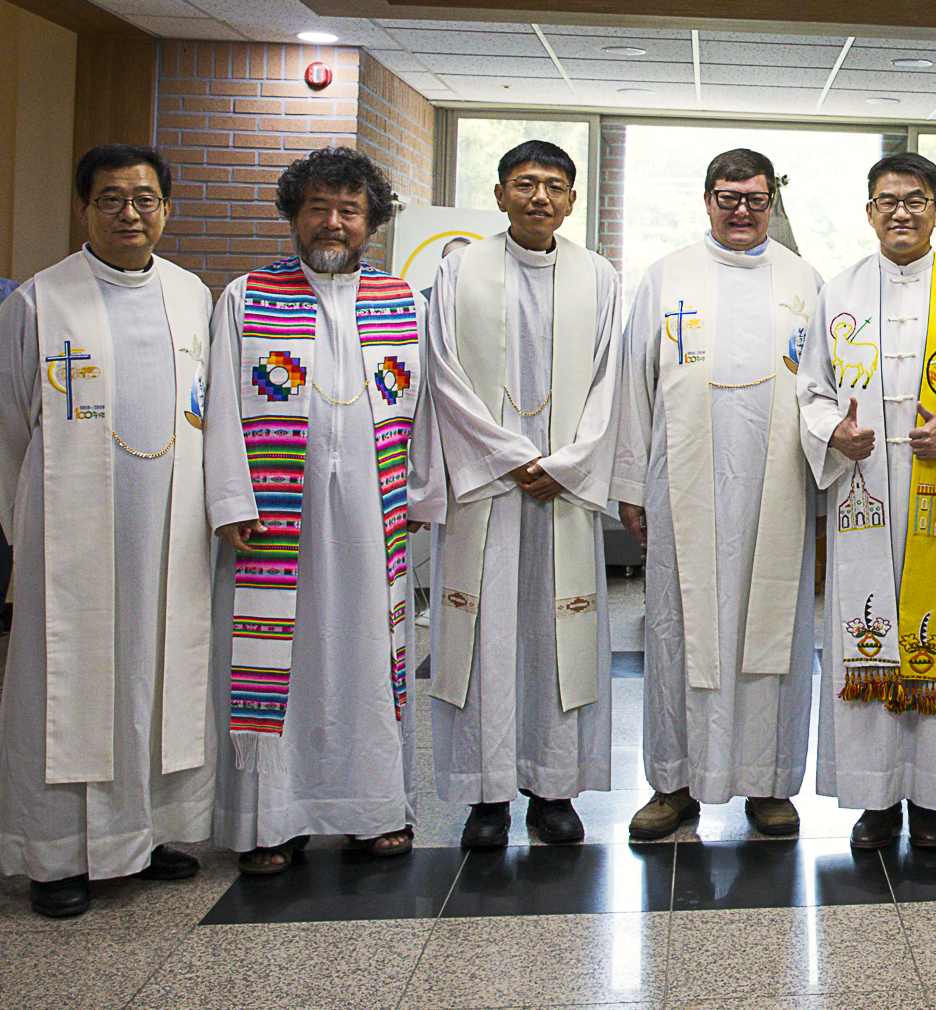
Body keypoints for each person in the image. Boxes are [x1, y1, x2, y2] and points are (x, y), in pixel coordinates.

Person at [0, 144, 213, 917]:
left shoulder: (192, 295)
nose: (130, 214)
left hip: (170, 529)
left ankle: (147, 833)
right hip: (72, 529)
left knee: (159, 674)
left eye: (145, 199)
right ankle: (57, 854)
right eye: (112, 199)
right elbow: (8, 429)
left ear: (166, 209)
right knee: (63, 684)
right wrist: (31, 528)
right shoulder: (39, 302)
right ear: (82, 208)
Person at [206, 147, 426, 874]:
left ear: (373, 221)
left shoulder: (403, 302)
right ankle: (272, 819)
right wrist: (231, 498)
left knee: (369, 655)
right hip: (274, 517)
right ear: (293, 215)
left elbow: (427, 409)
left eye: (348, 210)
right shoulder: (248, 296)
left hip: (373, 512)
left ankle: (373, 810)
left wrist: (420, 490)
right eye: (317, 209)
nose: (332, 222)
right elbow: (219, 406)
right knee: (280, 662)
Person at [410, 140, 622, 849]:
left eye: (554, 186)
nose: (539, 197)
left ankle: (553, 787)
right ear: (500, 195)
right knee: (484, 639)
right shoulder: (458, 270)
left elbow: (610, 380)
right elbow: (441, 373)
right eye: (525, 184)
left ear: (572, 200)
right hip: (487, 489)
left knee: (557, 636)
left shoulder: (598, 276)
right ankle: (487, 793)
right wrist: (509, 457)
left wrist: (568, 463)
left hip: (562, 489)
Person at [614, 149, 823, 840]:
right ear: (707, 200)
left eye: (755, 199)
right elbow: (634, 383)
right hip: (684, 483)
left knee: (774, 631)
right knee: (679, 631)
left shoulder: (804, 280)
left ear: (772, 204)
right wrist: (630, 483)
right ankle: (673, 783)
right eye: (728, 197)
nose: (741, 210)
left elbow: (825, 387)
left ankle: (768, 784)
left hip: (779, 484)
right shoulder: (666, 276)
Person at [797, 152, 936, 850]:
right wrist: (833, 432)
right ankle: (874, 798)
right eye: (888, 201)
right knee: (864, 633)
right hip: (863, 487)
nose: (901, 211)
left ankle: (931, 799)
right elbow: (812, 390)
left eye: (915, 199)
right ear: (869, 211)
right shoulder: (836, 293)